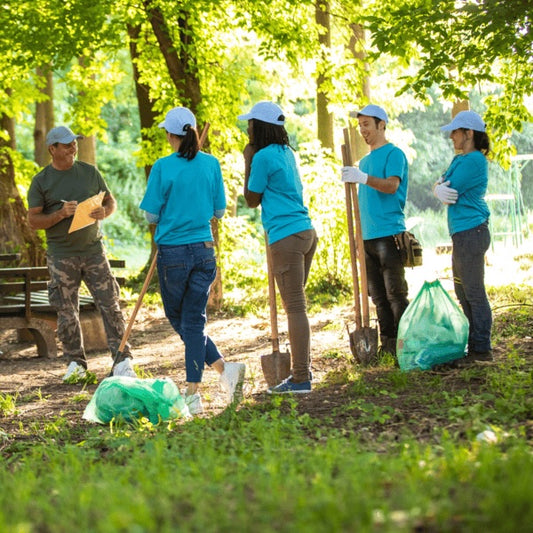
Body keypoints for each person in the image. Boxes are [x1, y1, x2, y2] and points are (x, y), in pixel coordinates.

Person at [139, 106, 245, 415]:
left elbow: (151, 215)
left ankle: (193, 392)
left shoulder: (162, 167)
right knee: (193, 321)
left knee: (182, 319)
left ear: (171, 135)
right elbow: (220, 211)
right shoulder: (211, 164)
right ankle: (225, 371)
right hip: (203, 250)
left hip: (173, 253)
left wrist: (172, 209)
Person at [27, 126, 136, 381]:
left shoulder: (89, 172)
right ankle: (76, 363)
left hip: (94, 251)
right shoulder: (41, 181)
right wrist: (60, 215)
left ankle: (122, 360)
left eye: (74, 143)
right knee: (66, 311)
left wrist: (104, 212)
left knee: (110, 305)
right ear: (52, 149)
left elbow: (110, 201)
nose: (72, 147)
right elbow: (33, 221)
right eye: (66, 144)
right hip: (61, 255)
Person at [239, 101, 318, 394]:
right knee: (297, 307)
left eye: (250, 124)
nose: (247, 128)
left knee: (295, 309)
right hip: (306, 232)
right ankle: (302, 371)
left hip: (285, 238)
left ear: (259, 127)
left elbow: (251, 199)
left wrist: (248, 159)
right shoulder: (287, 153)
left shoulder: (261, 158)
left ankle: (301, 378)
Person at [341, 104, 409, 360]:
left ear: (381, 125)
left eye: (367, 124)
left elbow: (392, 186)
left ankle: (405, 344)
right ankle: (389, 346)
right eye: (360, 126)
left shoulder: (395, 154)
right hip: (367, 237)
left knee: (395, 295)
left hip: (389, 234)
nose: (362, 130)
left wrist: (362, 177)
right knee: (378, 297)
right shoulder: (366, 161)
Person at [434, 110, 492, 365]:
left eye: (455, 132)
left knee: (474, 291)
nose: (451, 137)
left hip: (472, 232)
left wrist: (440, 186)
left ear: (469, 134)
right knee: (462, 290)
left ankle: (482, 350)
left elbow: (451, 190)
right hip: (462, 234)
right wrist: (438, 187)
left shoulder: (474, 161)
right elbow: (443, 185)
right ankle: (474, 346)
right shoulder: (461, 159)